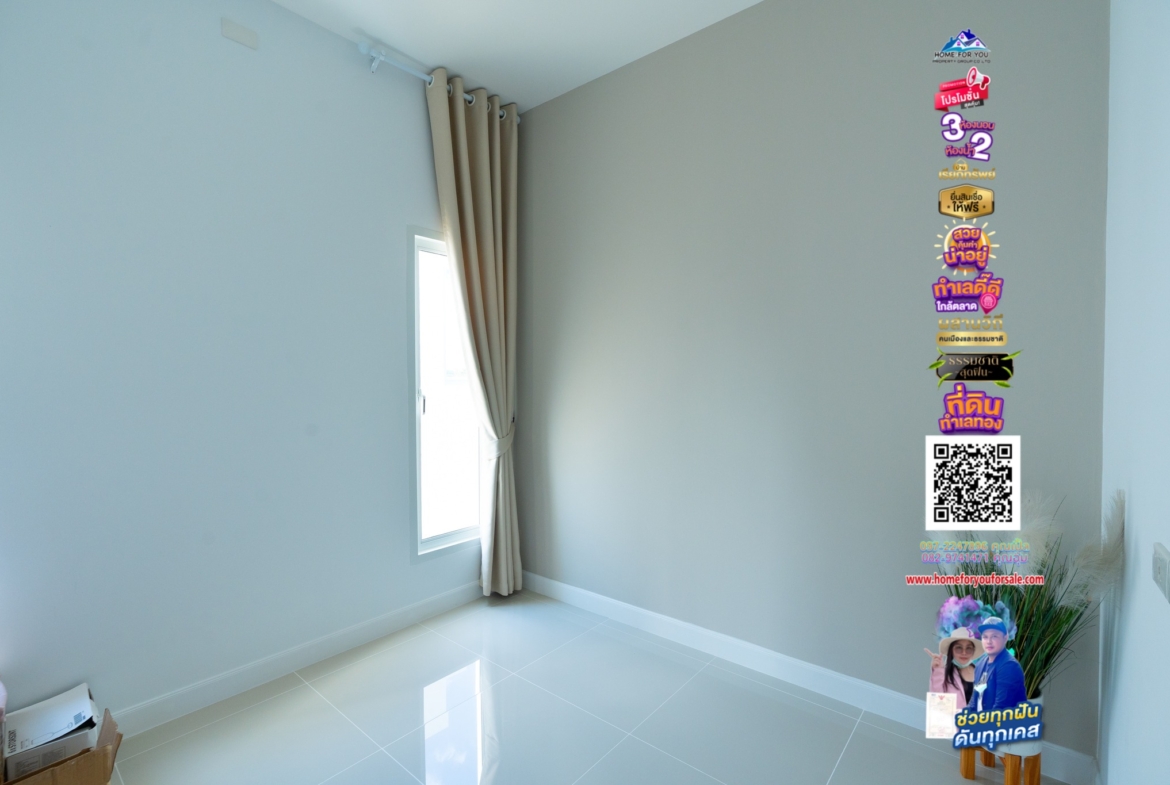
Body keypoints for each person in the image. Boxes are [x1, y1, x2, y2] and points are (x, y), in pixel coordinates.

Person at [967, 616, 1027, 712]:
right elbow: (974, 701)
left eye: (994, 636)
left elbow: (1000, 709)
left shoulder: (1009, 666)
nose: (989, 641)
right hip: (981, 719)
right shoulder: (980, 664)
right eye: (985, 637)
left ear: (1005, 638)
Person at [925, 626, 983, 709]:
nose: (964, 652)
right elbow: (937, 704)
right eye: (959, 648)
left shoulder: (983, 673)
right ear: (951, 650)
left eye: (969, 648)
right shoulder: (944, 674)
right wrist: (938, 671)